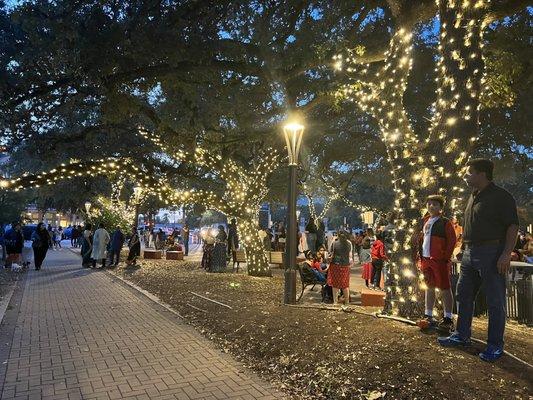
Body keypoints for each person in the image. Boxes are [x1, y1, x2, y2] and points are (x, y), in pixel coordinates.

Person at [438, 159, 519, 363]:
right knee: (463, 294)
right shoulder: (473, 196)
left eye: (469, 173)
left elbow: (512, 227)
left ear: (482, 174)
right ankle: (462, 335)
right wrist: (463, 247)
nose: (465, 176)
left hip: (492, 252)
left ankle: (495, 345)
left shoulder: (502, 197)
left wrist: (506, 254)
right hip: (469, 253)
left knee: (495, 300)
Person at [416, 195, 457, 333]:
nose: (431, 206)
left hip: (439, 260)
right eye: (429, 204)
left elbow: (452, 240)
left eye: (435, 204)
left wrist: (445, 257)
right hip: (426, 260)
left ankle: (448, 317)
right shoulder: (426, 221)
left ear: (441, 208)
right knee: (429, 287)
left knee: (445, 288)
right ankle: (428, 314)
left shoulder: (445, 222)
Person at [327, 231, 352, 305]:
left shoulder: (335, 243)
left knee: (335, 285)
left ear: (338, 235)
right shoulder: (349, 243)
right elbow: (350, 255)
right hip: (345, 266)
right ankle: (347, 302)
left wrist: (333, 240)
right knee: (345, 284)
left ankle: (335, 302)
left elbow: (330, 253)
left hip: (335, 265)